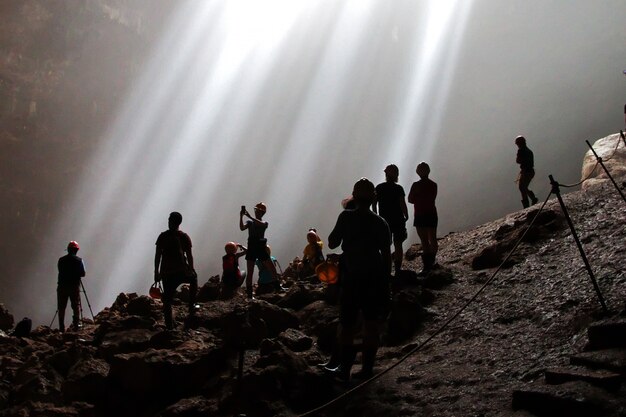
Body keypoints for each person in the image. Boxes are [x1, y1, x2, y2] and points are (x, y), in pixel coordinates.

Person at [327, 178, 392, 381]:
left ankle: (344, 369)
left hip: (352, 276)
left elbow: (332, 242)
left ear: (354, 196)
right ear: (374, 197)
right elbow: (387, 256)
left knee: (347, 323)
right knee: (371, 323)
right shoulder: (381, 222)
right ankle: (366, 369)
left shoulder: (346, 218)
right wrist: (386, 284)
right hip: (374, 276)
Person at [154, 212, 198, 330]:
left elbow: (158, 256)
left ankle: (169, 327)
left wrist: (156, 272)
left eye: (170, 220)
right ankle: (192, 305)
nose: (168, 222)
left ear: (172, 222)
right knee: (194, 279)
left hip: (166, 273)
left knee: (167, 300)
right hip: (181, 271)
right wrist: (191, 269)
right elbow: (189, 255)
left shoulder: (163, 236)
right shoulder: (183, 237)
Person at [373, 164, 409, 274]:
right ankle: (398, 269)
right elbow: (402, 203)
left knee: (385, 246)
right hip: (398, 219)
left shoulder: (379, 188)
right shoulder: (398, 188)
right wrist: (406, 215)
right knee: (398, 244)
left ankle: (386, 270)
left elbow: (374, 204)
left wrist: (375, 215)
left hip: (384, 220)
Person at [240, 202, 278, 298]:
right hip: (253, 247)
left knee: (271, 268)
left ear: (262, 213)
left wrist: (249, 217)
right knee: (250, 271)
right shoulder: (250, 222)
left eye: (258, 210)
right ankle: (249, 295)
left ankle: (278, 287)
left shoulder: (264, 223)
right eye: (256, 210)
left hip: (260, 247)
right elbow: (242, 228)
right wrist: (241, 217)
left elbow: (261, 224)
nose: (256, 211)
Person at [408, 162, 439, 275]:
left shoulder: (415, 185)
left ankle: (427, 266)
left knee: (424, 240)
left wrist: (418, 197)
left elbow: (410, 199)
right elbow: (431, 198)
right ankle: (432, 261)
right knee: (433, 238)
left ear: (418, 172)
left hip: (420, 214)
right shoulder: (433, 184)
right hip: (431, 213)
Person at [57, 240, 85, 332]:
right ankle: (76, 326)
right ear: (76, 250)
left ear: (68, 250)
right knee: (75, 306)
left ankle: (61, 327)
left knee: (61, 307)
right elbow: (83, 273)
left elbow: (60, 270)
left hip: (62, 286)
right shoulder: (79, 260)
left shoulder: (61, 260)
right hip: (74, 286)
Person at [515, 135, 539, 208]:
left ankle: (526, 205)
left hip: (526, 172)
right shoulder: (529, 151)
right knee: (524, 187)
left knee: (522, 187)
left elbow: (518, 161)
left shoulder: (521, 151)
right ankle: (533, 198)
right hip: (530, 171)